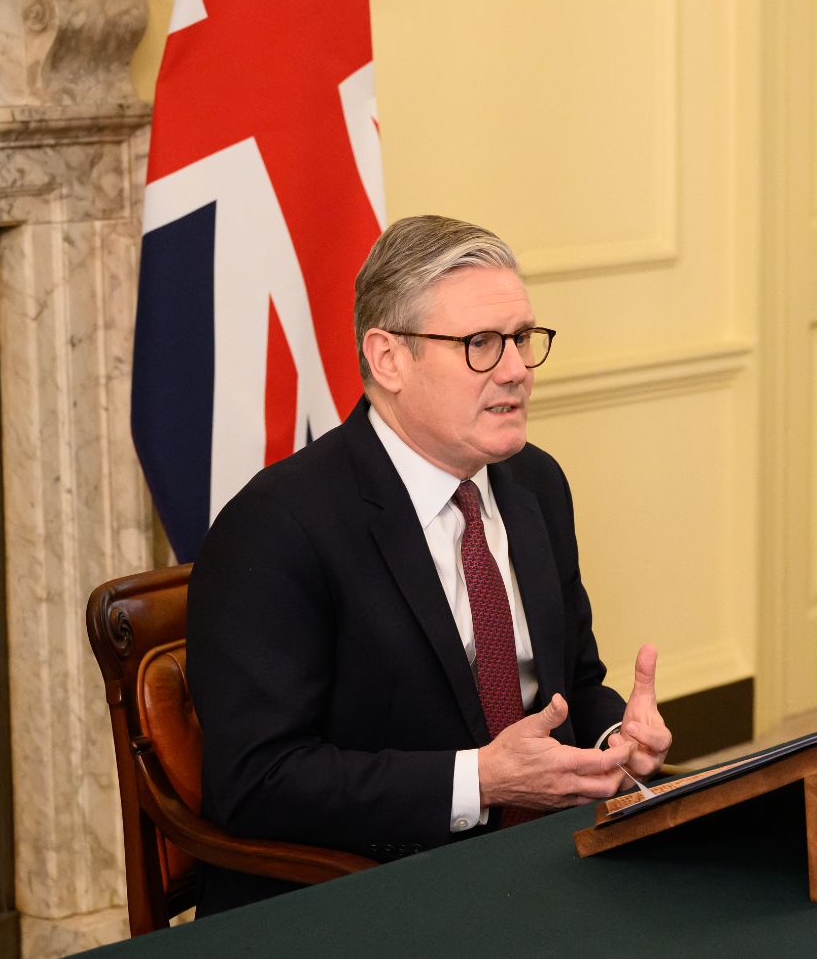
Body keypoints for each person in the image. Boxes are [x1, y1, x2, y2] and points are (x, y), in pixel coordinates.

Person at [187, 214, 672, 915]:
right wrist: (481, 780)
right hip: (362, 894)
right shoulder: (277, 526)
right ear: (388, 359)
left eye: (521, 339)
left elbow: (573, 685)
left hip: (542, 867)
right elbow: (256, 780)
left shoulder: (535, 484)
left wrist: (614, 736)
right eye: (480, 343)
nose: (514, 369)